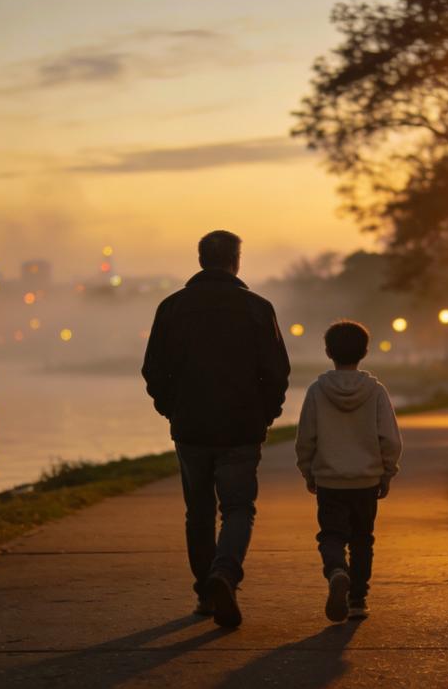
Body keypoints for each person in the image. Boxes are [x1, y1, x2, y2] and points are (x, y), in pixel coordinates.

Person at [141, 230, 291, 628]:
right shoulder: (258, 308)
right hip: (241, 426)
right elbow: (277, 371)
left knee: (199, 512)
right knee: (238, 508)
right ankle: (224, 573)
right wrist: (266, 414)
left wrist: (171, 409)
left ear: (200, 259)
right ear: (235, 261)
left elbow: (153, 369)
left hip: (191, 427)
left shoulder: (172, 308)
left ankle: (206, 595)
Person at [294, 320, 402, 622]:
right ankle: (357, 600)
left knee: (331, 535)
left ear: (328, 351)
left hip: (330, 479)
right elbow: (390, 438)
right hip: (365, 480)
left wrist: (308, 471)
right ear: (365, 351)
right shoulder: (376, 391)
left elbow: (306, 438)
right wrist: (386, 472)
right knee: (362, 540)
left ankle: (336, 570)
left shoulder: (316, 391)